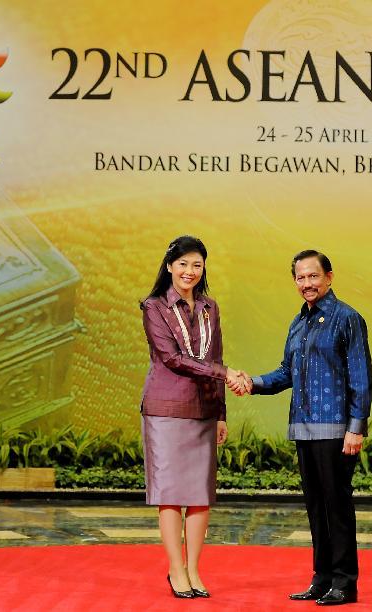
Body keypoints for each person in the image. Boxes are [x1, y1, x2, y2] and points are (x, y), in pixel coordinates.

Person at [230, 250, 372, 606]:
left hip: (336, 429)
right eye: (300, 278)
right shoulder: (298, 323)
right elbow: (286, 372)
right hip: (303, 428)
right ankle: (321, 578)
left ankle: (344, 582)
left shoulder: (348, 318)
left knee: (336, 506)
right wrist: (254, 382)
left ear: (329, 277)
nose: (306, 283)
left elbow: (362, 376)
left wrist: (356, 427)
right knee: (315, 507)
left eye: (313, 276)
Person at [140, 235, 246, 599]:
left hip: (203, 410)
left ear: (203, 269)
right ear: (169, 266)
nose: (189, 271)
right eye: (182, 264)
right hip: (166, 409)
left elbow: (214, 355)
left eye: (197, 265)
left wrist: (220, 413)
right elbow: (171, 358)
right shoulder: (154, 306)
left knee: (200, 495)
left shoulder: (209, 307)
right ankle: (175, 569)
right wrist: (226, 374)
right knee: (170, 495)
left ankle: (195, 570)